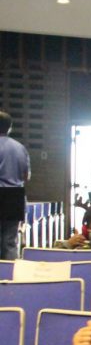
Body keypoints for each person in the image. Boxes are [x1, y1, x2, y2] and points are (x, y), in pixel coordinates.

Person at [0, 110, 29, 260]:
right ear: (10, 128)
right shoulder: (20, 148)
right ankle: (9, 278)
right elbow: (26, 176)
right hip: (14, 195)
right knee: (10, 241)